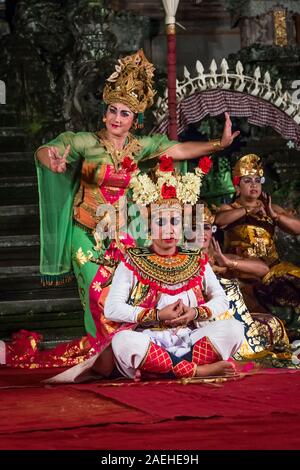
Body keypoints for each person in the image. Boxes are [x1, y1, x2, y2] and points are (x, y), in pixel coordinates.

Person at [35, 49, 240, 346]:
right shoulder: (85, 142)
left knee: (133, 293)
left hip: (125, 233)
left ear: (135, 119)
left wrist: (217, 145)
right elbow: (49, 148)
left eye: (125, 113)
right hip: (86, 232)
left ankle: (135, 347)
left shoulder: (141, 146)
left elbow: (178, 150)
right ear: (105, 113)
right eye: (113, 110)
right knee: (99, 294)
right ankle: (103, 350)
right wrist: (50, 161)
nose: (117, 118)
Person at [214, 154, 300, 341]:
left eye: (257, 180)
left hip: (272, 267)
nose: (254, 185)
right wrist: (246, 210)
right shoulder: (229, 208)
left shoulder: (271, 208)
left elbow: (296, 228)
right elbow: (219, 222)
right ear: (237, 186)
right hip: (242, 269)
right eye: (247, 180)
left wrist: (274, 216)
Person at [200, 206, 290, 363]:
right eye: (195, 227)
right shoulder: (182, 261)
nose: (202, 233)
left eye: (206, 227)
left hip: (235, 320)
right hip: (202, 323)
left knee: (274, 325)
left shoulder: (222, 258)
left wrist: (230, 263)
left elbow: (263, 269)